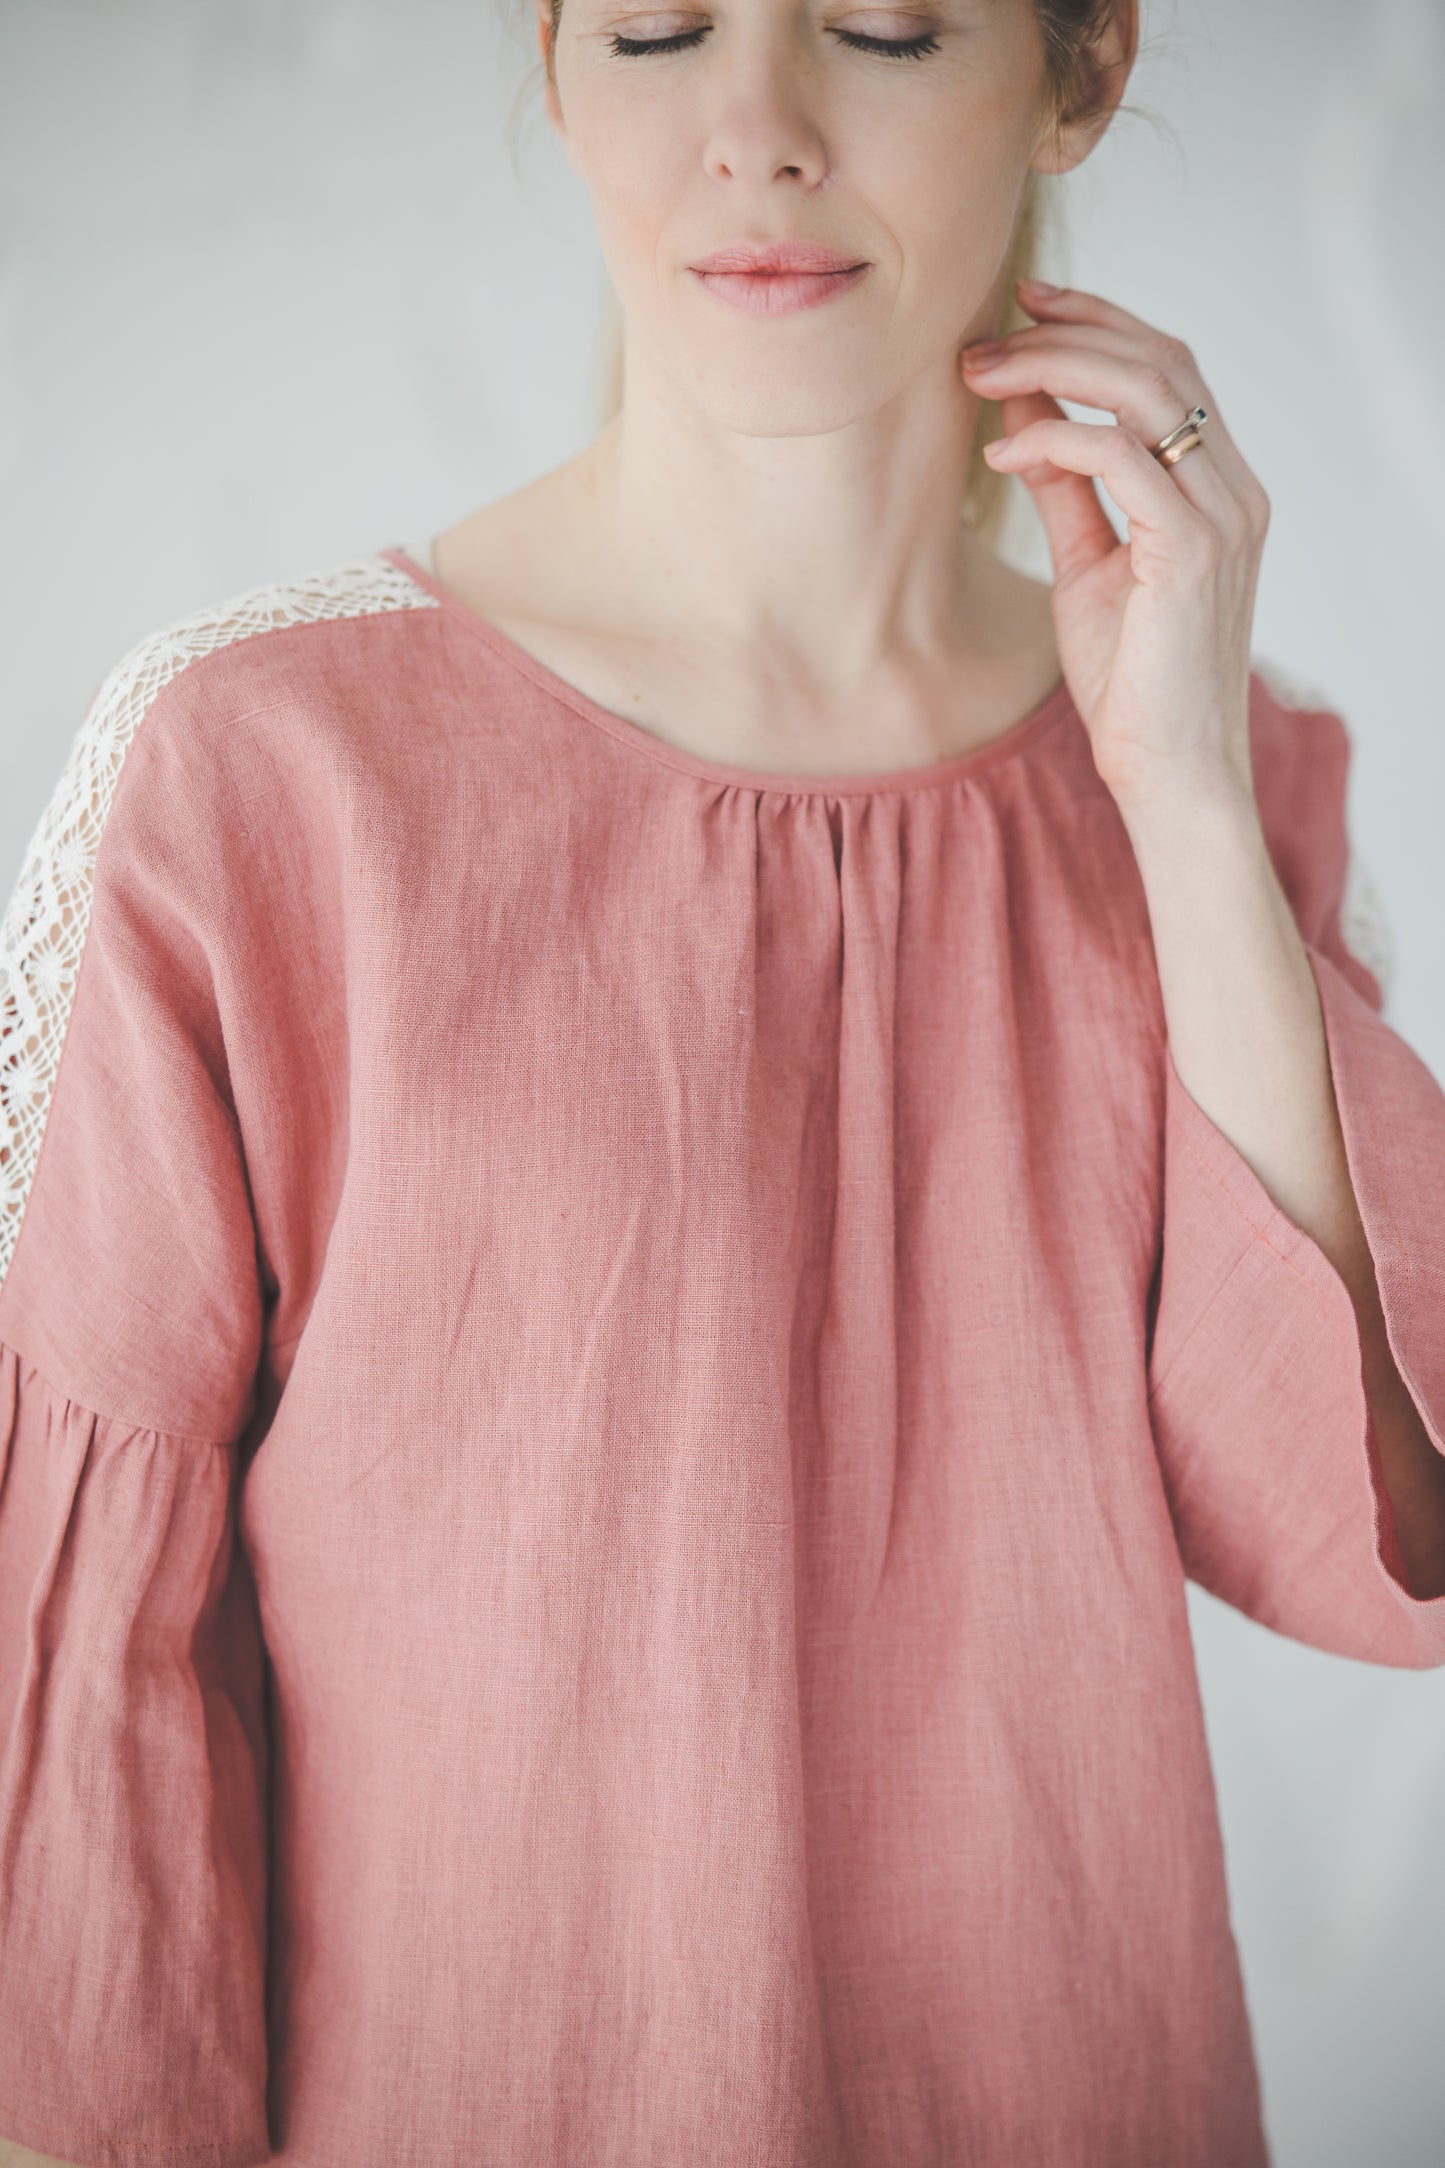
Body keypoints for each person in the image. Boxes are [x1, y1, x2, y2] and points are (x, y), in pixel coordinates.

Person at [2, 2, 1443, 2163]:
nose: (750, 132)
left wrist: (1185, 803)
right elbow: (86, 1777)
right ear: (559, 68)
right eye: (659, 28)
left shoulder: (1220, 784)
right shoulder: (258, 780)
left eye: (877, 26)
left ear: (1083, 66)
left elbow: (1380, 1533)